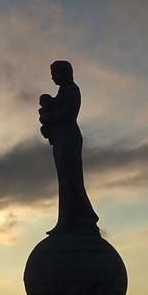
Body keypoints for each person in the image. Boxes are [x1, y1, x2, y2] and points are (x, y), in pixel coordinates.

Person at [39, 60, 99, 235]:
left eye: (54, 73)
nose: (52, 77)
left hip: (68, 137)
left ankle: (78, 218)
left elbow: (68, 113)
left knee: (70, 179)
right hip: (60, 138)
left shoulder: (72, 90)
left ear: (64, 72)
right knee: (65, 180)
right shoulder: (61, 93)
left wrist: (48, 118)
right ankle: (68, 219)